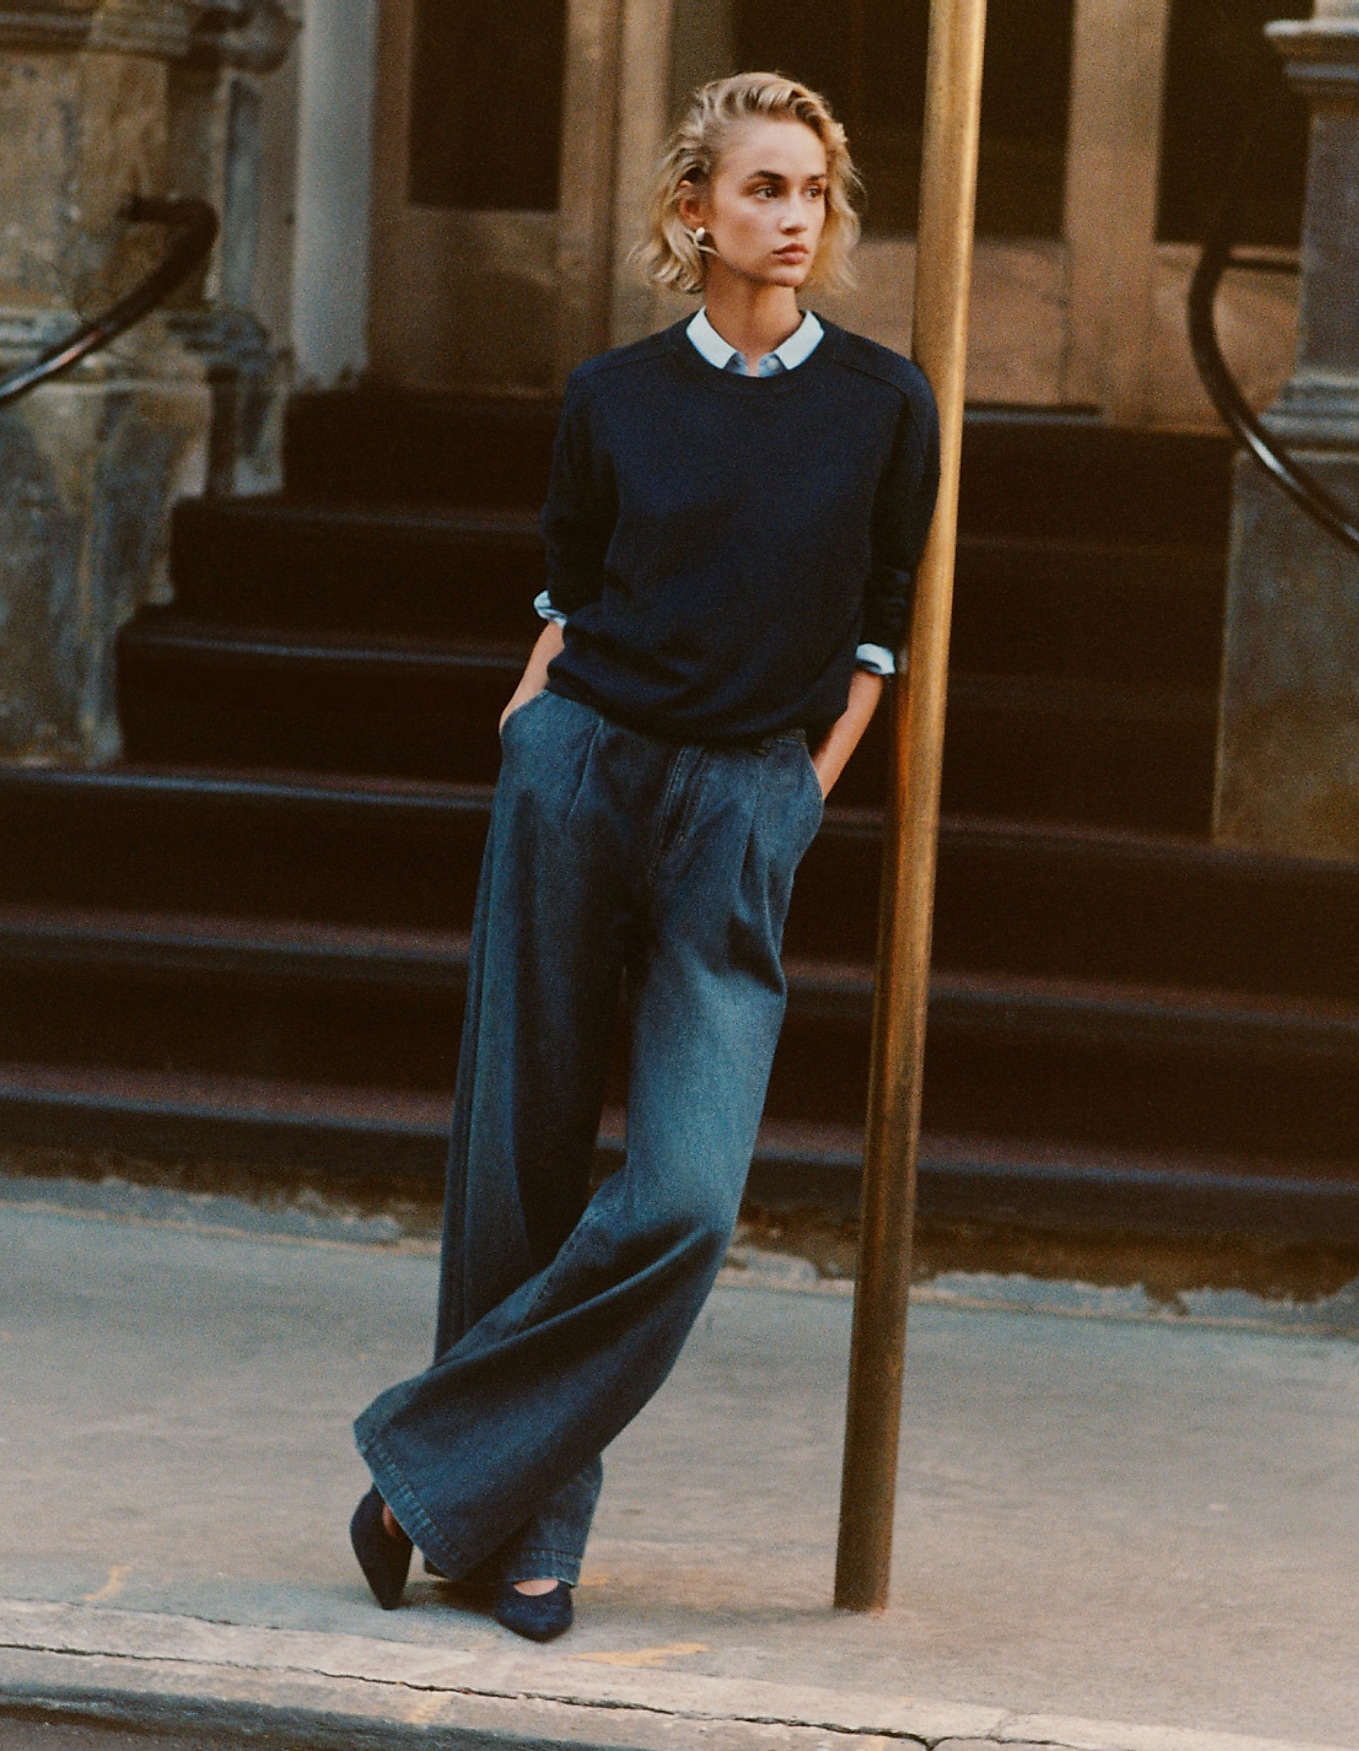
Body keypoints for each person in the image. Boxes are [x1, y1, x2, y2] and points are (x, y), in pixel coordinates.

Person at [349, 70, 940, 1642]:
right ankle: (522, 1538)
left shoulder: (885, 401)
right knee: (517, 1160)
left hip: (743, 798)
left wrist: (801, 793)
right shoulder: (613, 395)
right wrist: (527, 732)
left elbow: (881, 629)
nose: (795, 217)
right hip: (579, 771)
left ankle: (422, 1468)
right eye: (762, 188)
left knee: (681, 1192)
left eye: (814, 190)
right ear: (694, 209)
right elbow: (564, 590)